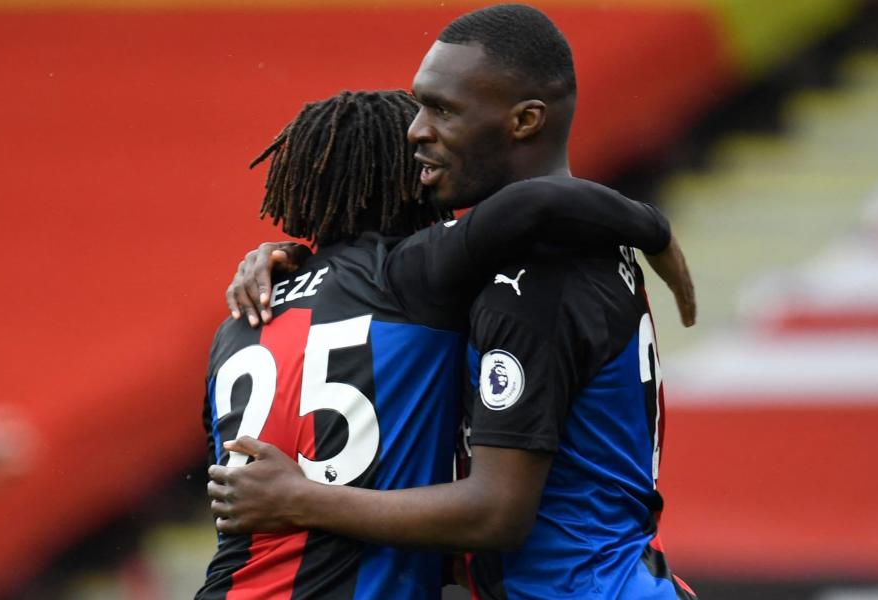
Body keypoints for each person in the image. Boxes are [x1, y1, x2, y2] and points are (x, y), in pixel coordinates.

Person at [210, 5, 696, 599]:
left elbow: (496, 512)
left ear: (524, 121)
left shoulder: (529, 274)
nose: (417, 131)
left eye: (441, 109)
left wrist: (301, 499)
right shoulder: (559, 252)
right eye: (419, 107)